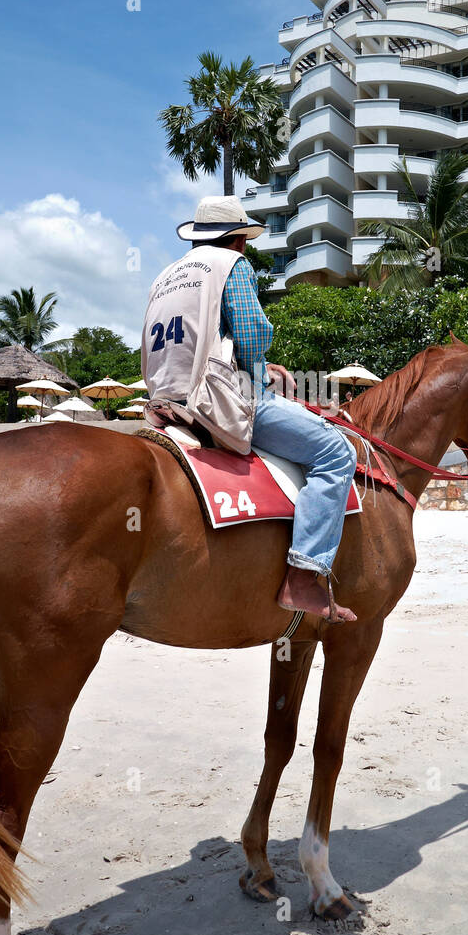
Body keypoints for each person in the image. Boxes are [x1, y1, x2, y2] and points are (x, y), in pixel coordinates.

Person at [141, 196, 357, 624]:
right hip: (214, 401)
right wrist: (259, 370)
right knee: (337, 453)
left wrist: (254, 369)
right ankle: (303, 578)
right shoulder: (231, 265)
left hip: (164, 400)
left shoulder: (166, 278)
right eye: (244, 241)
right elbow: (252, 333)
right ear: (238, 240)